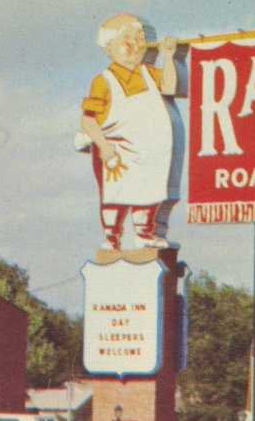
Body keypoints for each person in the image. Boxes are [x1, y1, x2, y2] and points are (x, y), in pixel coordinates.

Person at [78, 14, 184, 251]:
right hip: (115, 151)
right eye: (127, 40)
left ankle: (144, 233)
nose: (135, 45)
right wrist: (103, 146)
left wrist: (168, 56)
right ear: (109, 47)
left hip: (146, 153)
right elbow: (88, 120)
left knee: (148, 193)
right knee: (116, 196)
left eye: (140, 39)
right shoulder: (103, 81)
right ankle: (112, 237)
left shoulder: (148, 73)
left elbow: (169, 86)